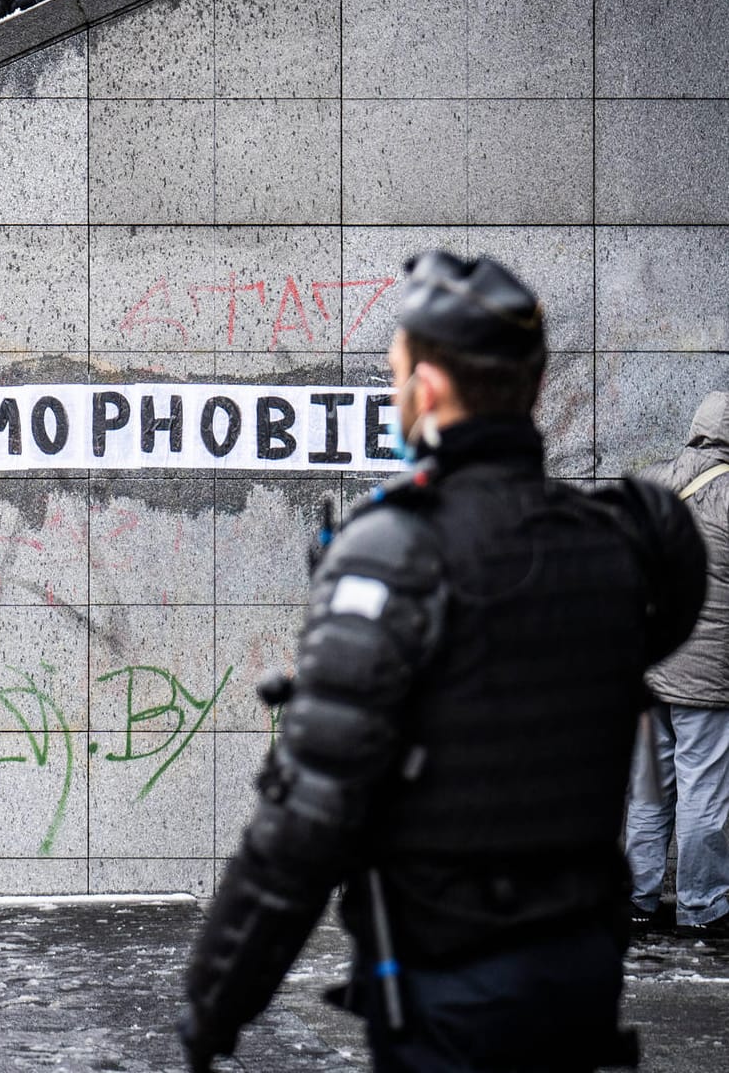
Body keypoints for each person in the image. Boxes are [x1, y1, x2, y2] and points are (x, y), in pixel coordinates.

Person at [178, 251, 708, 1072]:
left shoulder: (394, 553)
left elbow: (304, 825)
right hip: (582, 977)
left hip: (450, 991)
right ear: (532, 387)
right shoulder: (615, 542)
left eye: (396, 376)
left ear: (426, 391)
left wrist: (213, 1006)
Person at [627, 391, 729, 938]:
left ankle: (637, 901)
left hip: (649, 670)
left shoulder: (655, 484)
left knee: (648, 790)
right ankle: (702, 905)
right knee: (703, 790)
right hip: (705, 677)